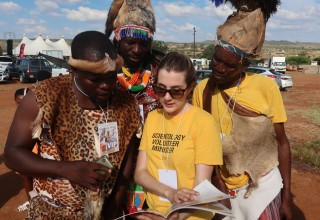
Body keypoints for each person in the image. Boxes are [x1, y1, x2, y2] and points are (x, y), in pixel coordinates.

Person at [4, 31, 142, 219]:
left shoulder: (125, 103)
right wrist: (65, 169)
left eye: (111, 76)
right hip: (50, 212)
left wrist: (114, 207)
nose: (106, 86)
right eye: (95, 79)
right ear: (74, 71)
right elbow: (13, 154)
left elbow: (126, 159)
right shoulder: (44, 97)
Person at [193, 1, 292, 219]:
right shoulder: (203, 90)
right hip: (224, 191)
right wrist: (215, 184)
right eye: (216, 59)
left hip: (263, 186)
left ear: (244, 66)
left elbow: (282, 142)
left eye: (229, 65)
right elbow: (202, 145)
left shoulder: (265, 87)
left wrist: (286, 198)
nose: (219, 68)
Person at [134, 52, 223, 220]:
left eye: (176, 92)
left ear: (190, 88)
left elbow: (202, 186)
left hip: (191, 215)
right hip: (157, 214)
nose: (167, 97)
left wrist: (176, 216)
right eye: (161, 89)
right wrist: (170, 193)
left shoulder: (204, 122)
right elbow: (140, 173)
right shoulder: (153, 118)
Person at [105, 0, 164, 213]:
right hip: (111, 164)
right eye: (130, 42)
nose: (137, 50)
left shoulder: (161, 70)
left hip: (153, 163)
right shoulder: (103, 72)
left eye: (143, 43)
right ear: (118, 39)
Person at [14, 88, 37, 212]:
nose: (21, 106)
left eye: (23, 102)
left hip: (36, 151)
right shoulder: (20, 115)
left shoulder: (35, 112)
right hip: (26, 151)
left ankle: (35, 202)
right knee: (26, 176)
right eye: (18, 103)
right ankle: (32, 202)